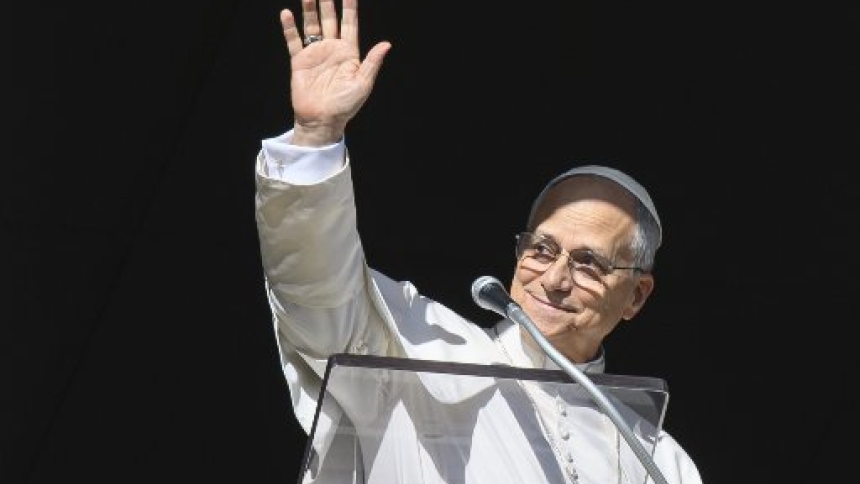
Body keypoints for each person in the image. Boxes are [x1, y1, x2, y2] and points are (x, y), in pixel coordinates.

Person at [253, 1, 704, 483]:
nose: (553, 280)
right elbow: (317, 290)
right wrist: (317, 136)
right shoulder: (419, 351)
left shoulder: (659, 460)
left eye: (588, 263)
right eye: (542, 249)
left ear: (636, 295)